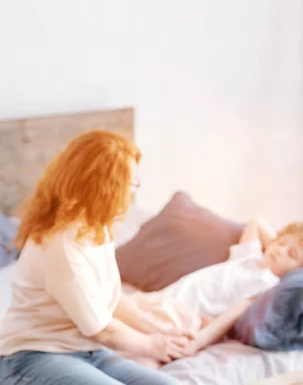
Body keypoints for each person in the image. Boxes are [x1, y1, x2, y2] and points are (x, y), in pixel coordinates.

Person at [0, 130, 187, 385]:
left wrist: (153, 327)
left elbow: (105, 298)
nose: (132, 194)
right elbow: (103, 331)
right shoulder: (63, 245)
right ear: (106, 188)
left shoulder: (97, 227)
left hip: (88, 351)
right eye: (131, 185)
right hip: (35, 354)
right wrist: (153, 345)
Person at [142, 216, 303, 358]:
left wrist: (198, 342)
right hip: (166, 297)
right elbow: (256, 223)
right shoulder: (249, 257)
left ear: (300, 270)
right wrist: (287, 240)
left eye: (291, 254)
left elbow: (234, 313)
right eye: (281, 243)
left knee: (137, 341)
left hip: (185, 313)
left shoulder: (268, 283)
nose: (281, 250)